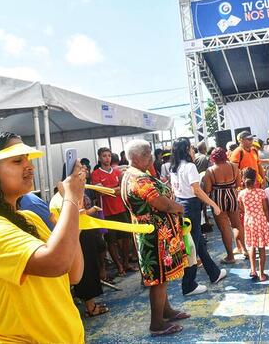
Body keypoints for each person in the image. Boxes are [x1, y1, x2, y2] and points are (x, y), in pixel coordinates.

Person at [0, 132, 84, 343]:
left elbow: (73, 274)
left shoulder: (29, 218)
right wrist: (71, 198)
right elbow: (57, 262)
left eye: (27, 159)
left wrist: (73, 217)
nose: (30, 167)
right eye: (17, 160)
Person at [120, 139, 189, 336]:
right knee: (158, 280)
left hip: (155, 234)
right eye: (146, 153)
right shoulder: (139, 179)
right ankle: (157, 323)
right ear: (136, 157)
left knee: (162, 278)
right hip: (154, 236)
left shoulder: (133, 174)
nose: (151, 156)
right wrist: (179, 208)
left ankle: (166, 311)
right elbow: (161, 203)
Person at [169, 137, 227, 296]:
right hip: (191, 206)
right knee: (192, 246)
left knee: (198, 243)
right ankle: (188, 285)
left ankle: (213, 273)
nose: (193, 151)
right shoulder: (189, 167)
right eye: (191, 148)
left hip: (182, 206)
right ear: (186, 149)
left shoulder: (174, 167)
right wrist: (214, 205)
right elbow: (196, 190)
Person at [91, 146, 136, 277]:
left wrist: (110, 189)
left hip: (121, 209)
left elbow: (122, 188)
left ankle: (126, 263)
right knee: (111, 240)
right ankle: (119, 266)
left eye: (109, 155)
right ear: (99, 158)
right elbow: (101, 191)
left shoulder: (117, 172)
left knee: (126, 237)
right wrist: (114, 189)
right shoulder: (96, 174)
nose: (107, 158)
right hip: (107, 212)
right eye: (104, 156)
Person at [203, 147, 246, 263]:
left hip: (218, 200)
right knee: (237, 225)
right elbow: (238, 184)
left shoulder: (210, 171)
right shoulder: (233, 167)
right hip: (232, 196)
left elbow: (207, 189)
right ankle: (245, 250)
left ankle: (230, 257)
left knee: (224, 228)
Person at [238, 167, 269, 281]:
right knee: (261, 248)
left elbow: (241, 209)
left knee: (252, 246)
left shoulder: (242, 194)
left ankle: (253, 271)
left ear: (243, 179)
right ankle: (262, 274)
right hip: (261, 221)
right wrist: (267, 221)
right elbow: (266, 209)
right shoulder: (261, 193)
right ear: (255, 179)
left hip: (249, 222)